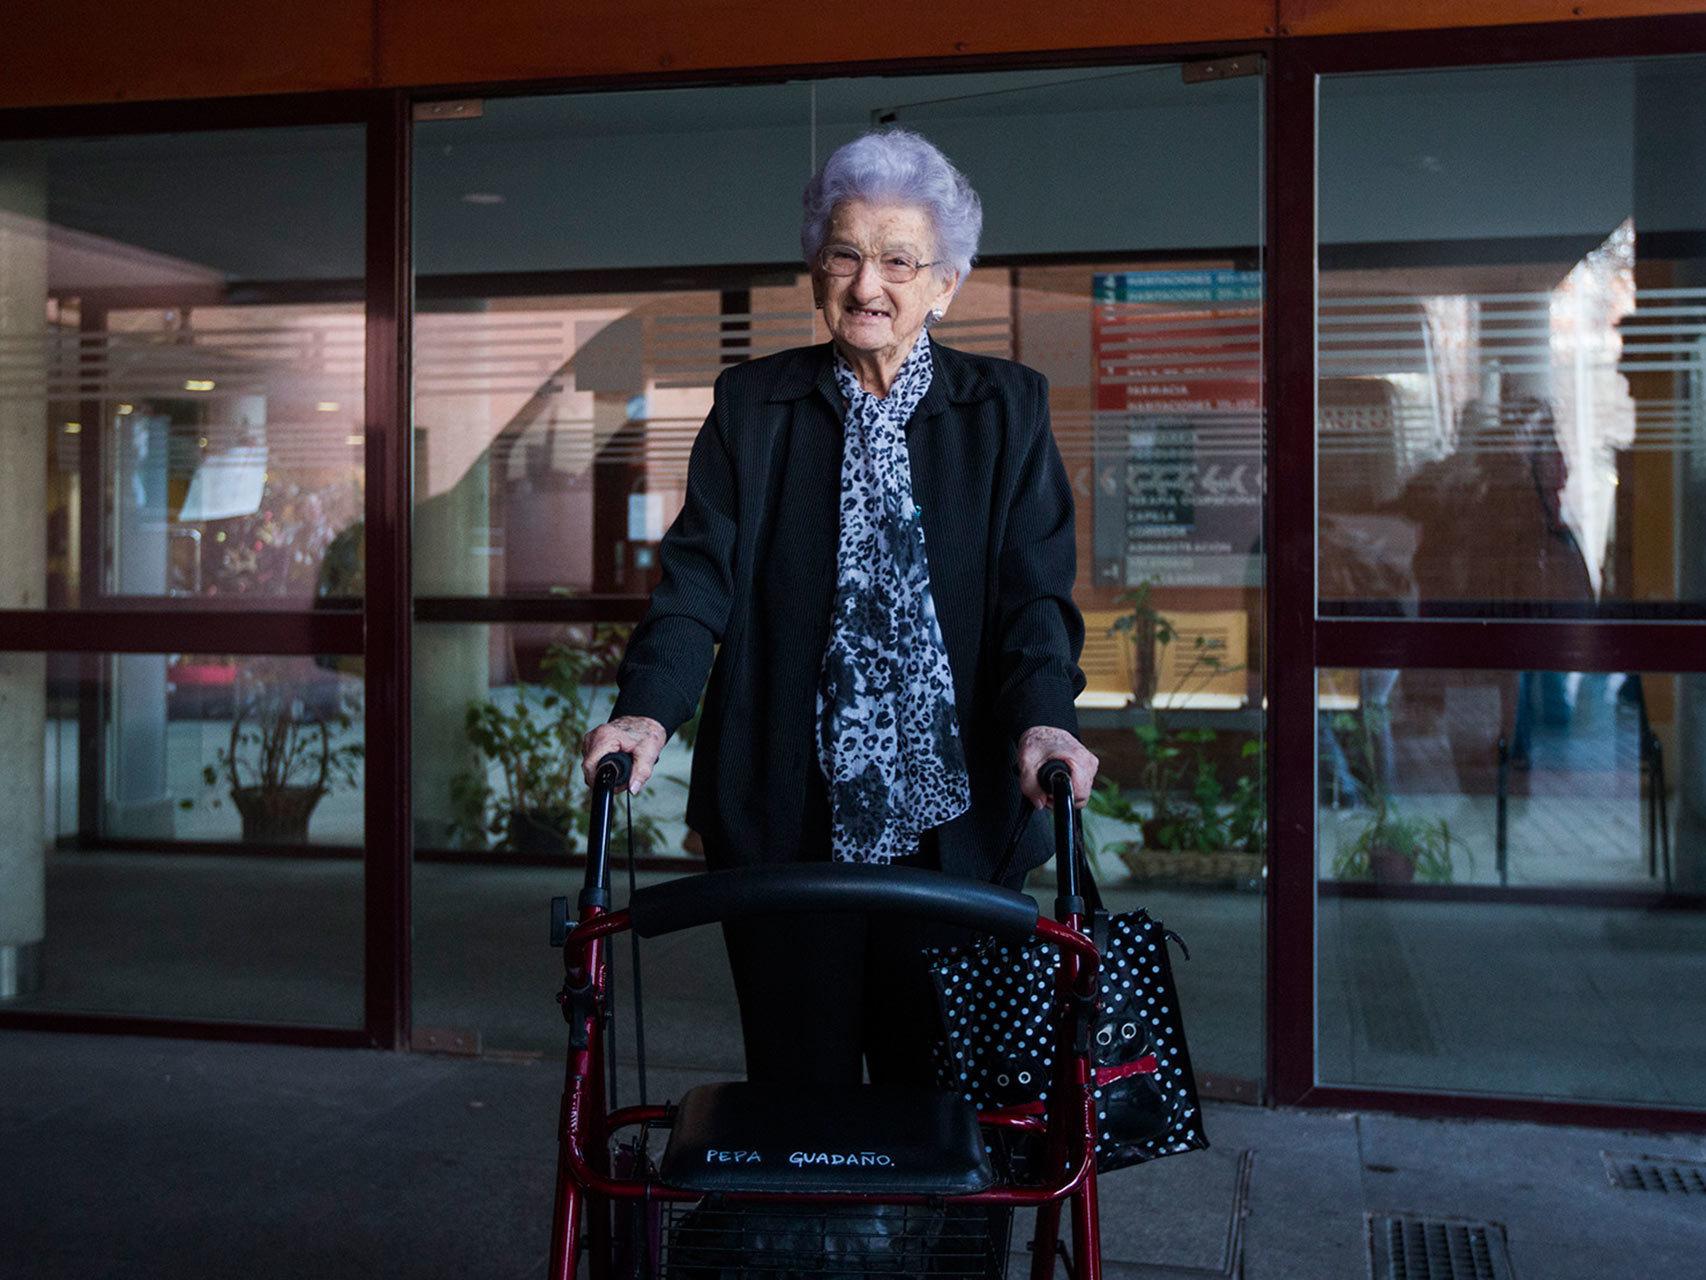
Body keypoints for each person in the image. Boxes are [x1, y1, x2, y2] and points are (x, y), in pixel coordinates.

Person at [580, 128, 1097, 1091]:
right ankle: (803, 1243)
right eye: (847, 254)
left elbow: (1035, 599)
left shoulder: (1007, 410)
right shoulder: (753, 406)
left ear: (945, 284)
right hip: (786, 819)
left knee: (946, 1102)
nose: (870, 285)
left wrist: (1046, 727)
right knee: (799, 1092)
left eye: (900, 260)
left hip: (961, 824)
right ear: (816, 272)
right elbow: (698, 581)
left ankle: (935, 1249)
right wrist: (647, 711)